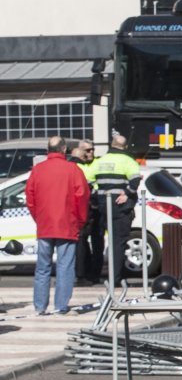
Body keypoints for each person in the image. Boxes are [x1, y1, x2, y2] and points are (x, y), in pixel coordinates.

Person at [26, 136, 91, 315]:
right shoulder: (73, 170)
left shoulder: (38, 170)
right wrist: (80, 221)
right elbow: (82, 196)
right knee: (65, 266)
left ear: (48, 149)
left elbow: (30, 199)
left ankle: (40, 306)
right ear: (64, 149)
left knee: (42, 267)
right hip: (67, 224)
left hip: (45, 225)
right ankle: (60, 305)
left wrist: (38, 218)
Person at [91, 133, 141, 280]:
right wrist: (127, 193)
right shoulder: (128, 161)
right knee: (118, 242)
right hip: (120, 206)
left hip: (102, 206)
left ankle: (104, 275)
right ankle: (115, 278)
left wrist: (97, 195)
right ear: (125, 147)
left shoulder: (100, 161)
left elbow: (88, 180)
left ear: (111, 145)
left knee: (108, 241)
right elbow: (135, 180)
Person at [68, 140, 101, 284]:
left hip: (95, 208)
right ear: (80, 152)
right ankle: (83, 274)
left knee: (92, 243)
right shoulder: (76, 167)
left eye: (92, 149)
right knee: (81, 242)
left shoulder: (96, 164)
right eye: (87, 150)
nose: (91, 153)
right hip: (83, 209)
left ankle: (90, 274)